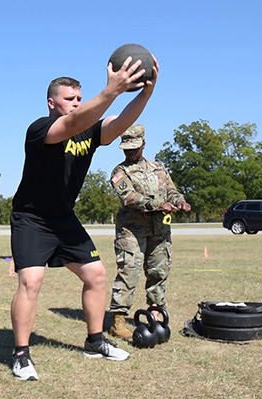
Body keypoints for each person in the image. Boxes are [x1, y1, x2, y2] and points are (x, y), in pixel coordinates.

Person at [10, 55, 159, 381]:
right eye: (69, 99)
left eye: (80, 98)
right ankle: (21, 355)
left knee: (96, 276)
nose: (76, 104)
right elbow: (73, 124)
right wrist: (112, 90)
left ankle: (95, 342)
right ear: (52, 103)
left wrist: (144, 94)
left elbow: (118, 124)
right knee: (30, 282)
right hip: (31, 218)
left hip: (64, 218)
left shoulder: (88, 130)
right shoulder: (40, 129)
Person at [108, 125, 191, 339]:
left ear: (143, 144)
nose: (130, 152)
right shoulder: (119, 172)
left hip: (159, 229)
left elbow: (171, 190)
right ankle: (118, 321)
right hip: (131, 231)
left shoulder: (158, 168)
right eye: (126, 148)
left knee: (159, 271)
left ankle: (157, 311)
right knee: (129, 272)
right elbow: (128, 197)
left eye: (134, 147)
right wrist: (157, 204)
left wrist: (180, 202)